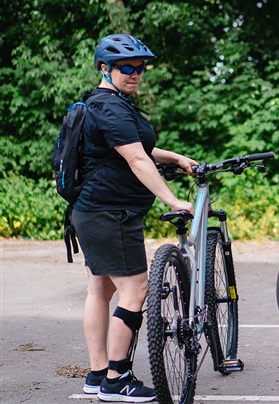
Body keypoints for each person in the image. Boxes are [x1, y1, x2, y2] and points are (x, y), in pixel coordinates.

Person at [71, 34, 196, 403]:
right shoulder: (110, 107)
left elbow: (140, 148)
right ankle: (116, 378)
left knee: (101, 289)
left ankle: (97, 375)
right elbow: (137, 159)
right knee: (135, 290)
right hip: (111, 214)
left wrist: (173, 158)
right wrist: (173, 199)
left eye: (140, 68)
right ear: (105, 68)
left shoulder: (108, 104)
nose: (136, 73)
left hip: (93, 211)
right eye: (127, 67)